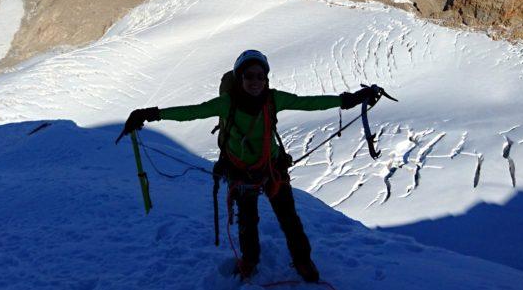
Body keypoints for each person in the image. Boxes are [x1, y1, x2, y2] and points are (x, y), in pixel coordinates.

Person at [120, 49, 383, 282]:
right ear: (239, 79)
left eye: (260, 76)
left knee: (289, 219)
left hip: (271, 169)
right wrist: (150, 113)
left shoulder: (273, 99)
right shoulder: (227, 104)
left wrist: (348, 100)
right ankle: (250, 261)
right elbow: (192, 111)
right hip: (242, 172)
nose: (255, 81)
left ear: (266, 79)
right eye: (249, 76)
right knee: (248, 222)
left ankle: (301, 260)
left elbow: (309, 102)